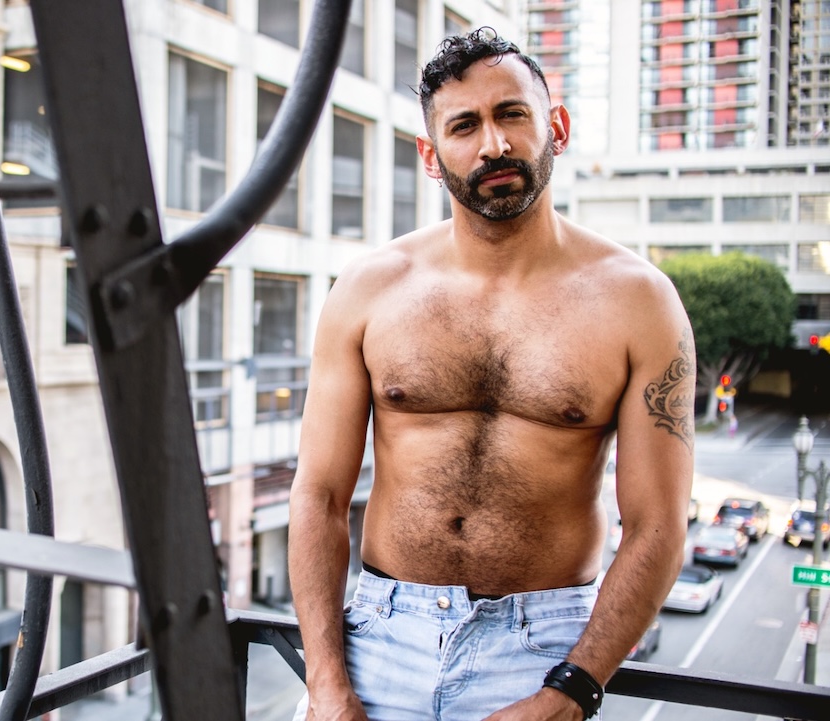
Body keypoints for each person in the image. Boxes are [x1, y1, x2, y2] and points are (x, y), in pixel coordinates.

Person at [287, 28, 695, 721]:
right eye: (464, 125)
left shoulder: (638, 301)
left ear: (555, 127)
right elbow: (320, 495)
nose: (494, 145)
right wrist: (325, 681)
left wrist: (574, 687)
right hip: (377, 640)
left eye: (513, 114)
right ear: (430, 154)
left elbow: (657, 525)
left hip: (539, 650)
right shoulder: (369, 290)